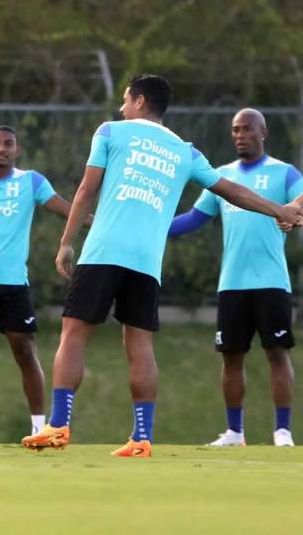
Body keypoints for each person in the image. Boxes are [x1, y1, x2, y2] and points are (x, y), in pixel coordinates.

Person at [21, 75, 303, 458]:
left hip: (104, 251)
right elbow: (232, 191)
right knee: (140, 346)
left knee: (74, 335)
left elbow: (88, 190)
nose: (121, 107)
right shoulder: (184, 151)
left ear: (138, 101)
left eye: (125, 99)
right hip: (147, 261)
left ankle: (58, 426)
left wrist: (66, 241)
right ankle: (141, 437)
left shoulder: (110, 131)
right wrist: (278, 210)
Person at [0, 126, 91, 444]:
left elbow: (66, 210)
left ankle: (38, 427)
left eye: (7, 144)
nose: (1, 148)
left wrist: (98, 222)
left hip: (13, 283)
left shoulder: (32, 182)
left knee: (25, 352)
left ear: (17, 150)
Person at [169, 108, 301, 447]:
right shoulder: (221, 178)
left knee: (277, 354)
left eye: (247, 129)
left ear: (263, 133)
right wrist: (154, 227)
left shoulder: (283, 173)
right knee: (231, 357)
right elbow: (192, 219)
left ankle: (282, 431)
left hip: (272, 281)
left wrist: (294, 212)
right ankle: (234, 432)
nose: (240, 135)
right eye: (235, 130)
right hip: (232, 284)